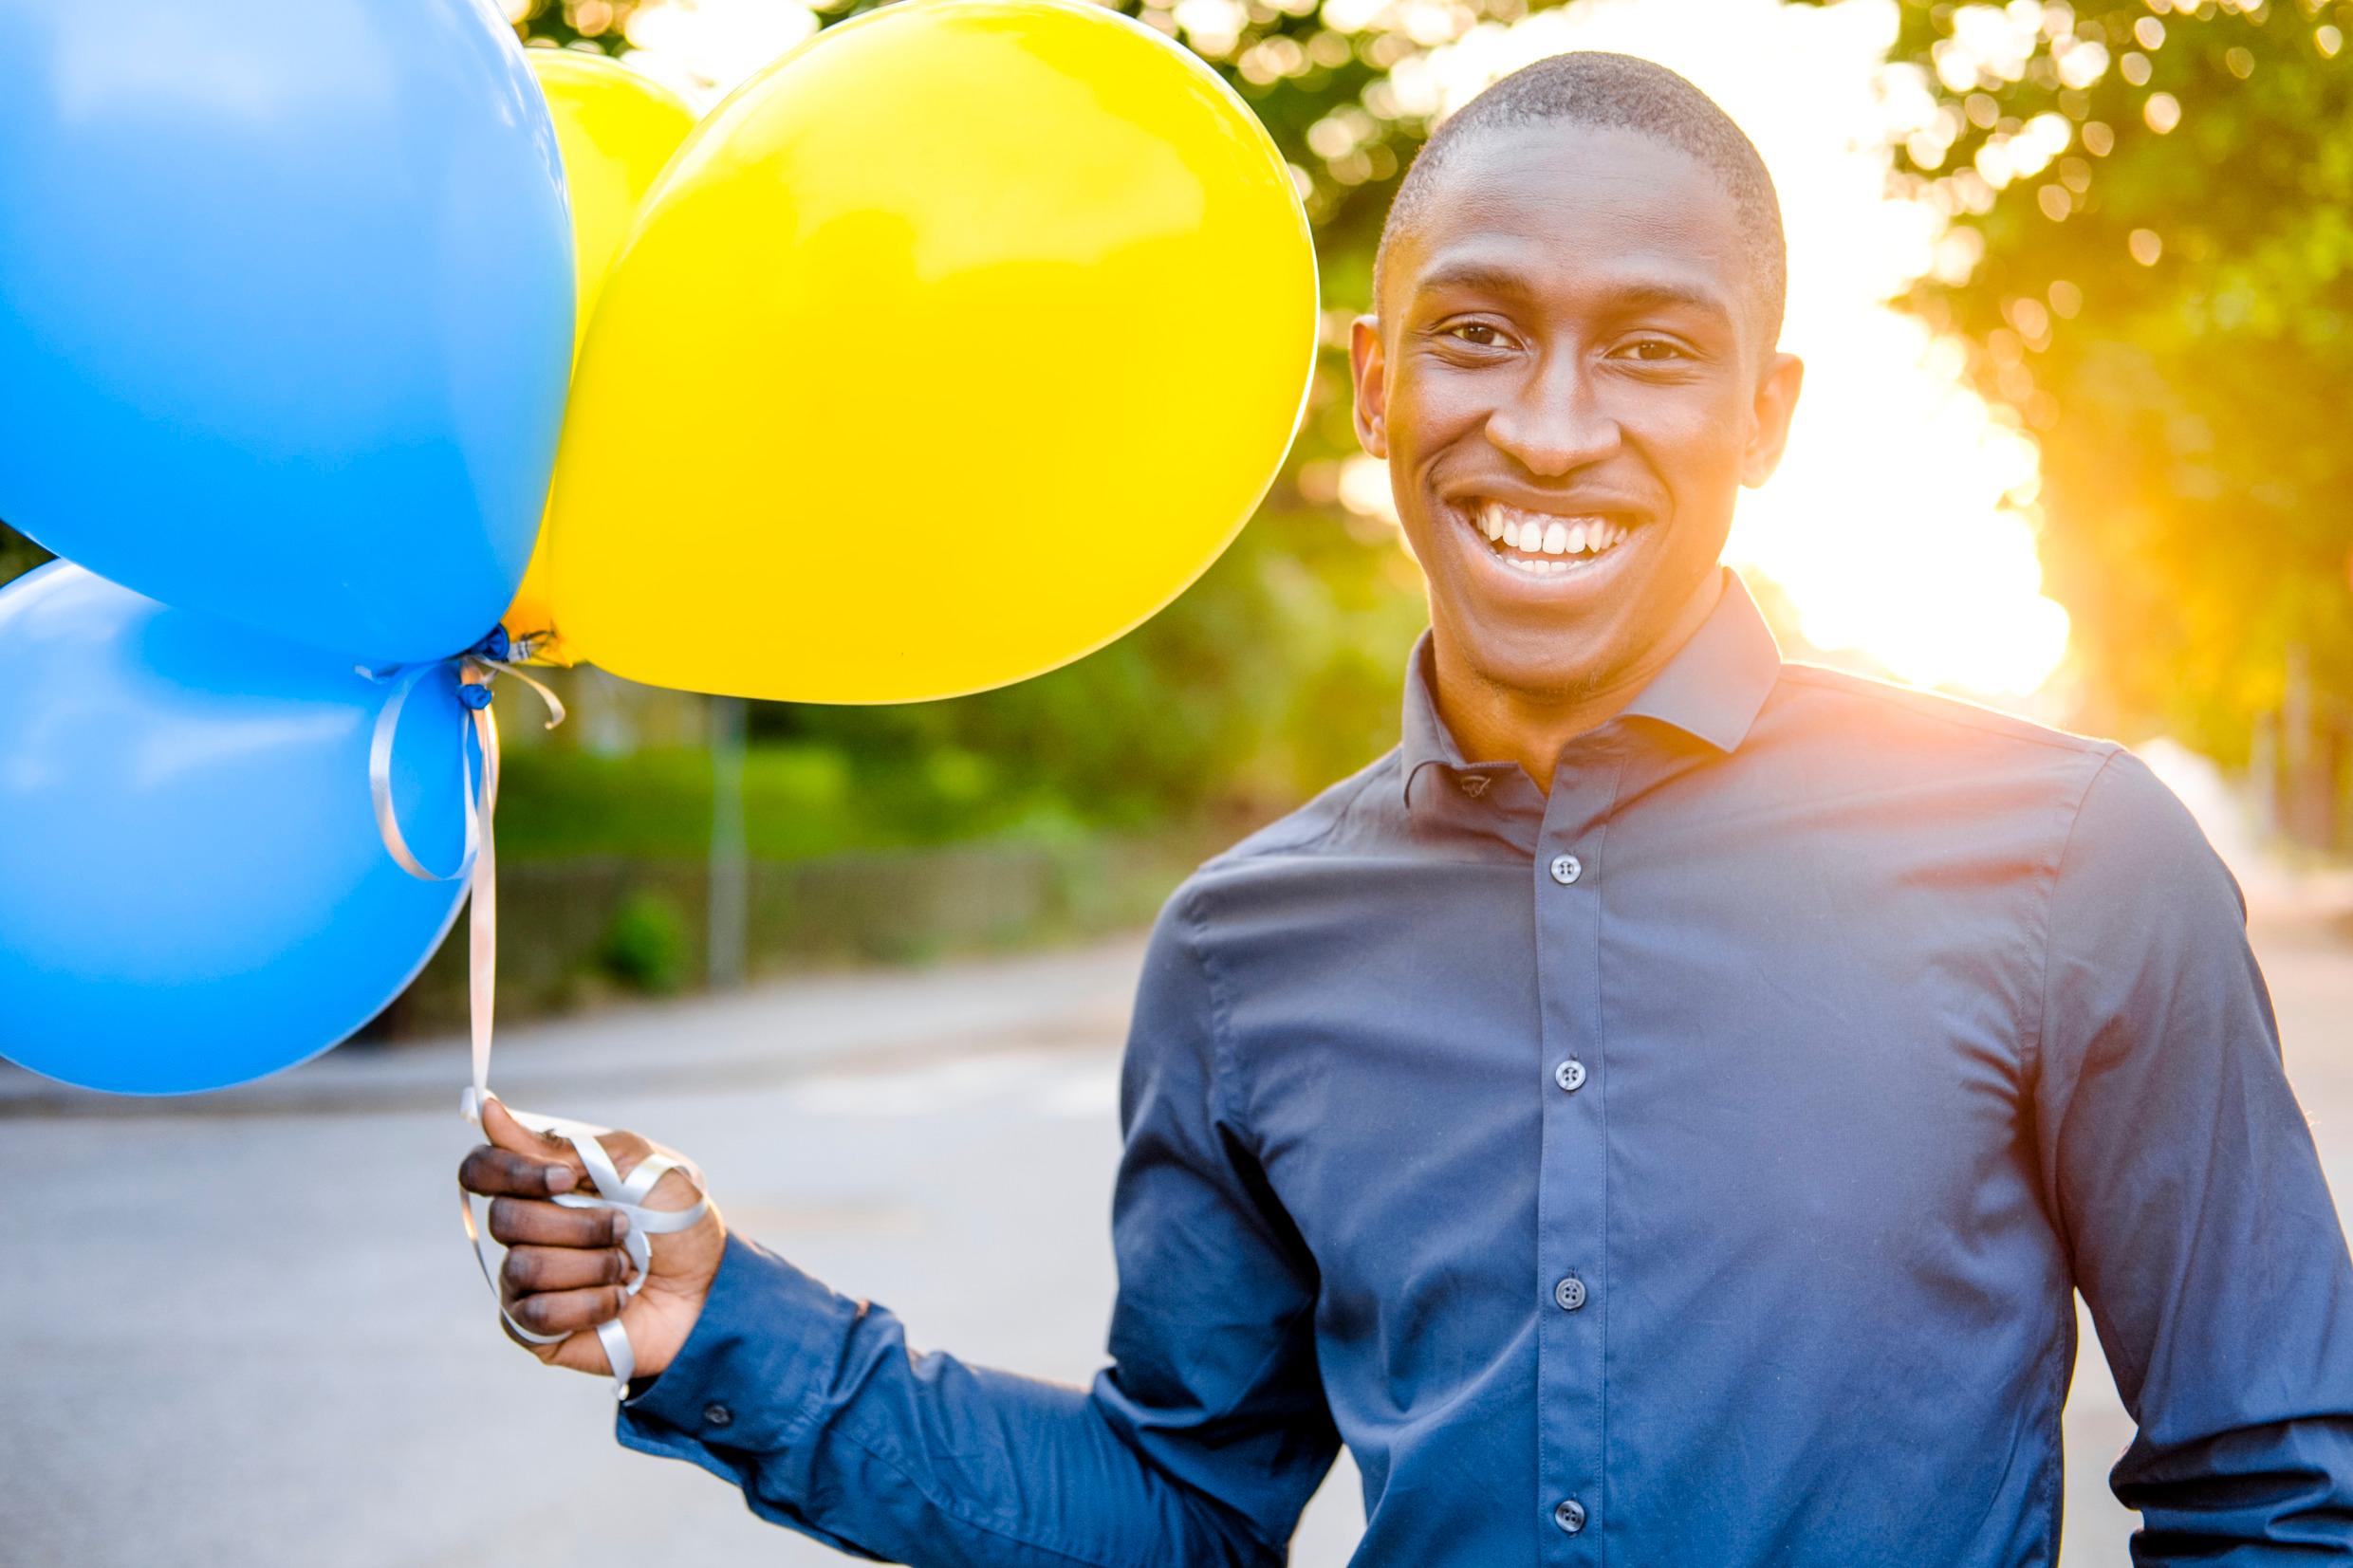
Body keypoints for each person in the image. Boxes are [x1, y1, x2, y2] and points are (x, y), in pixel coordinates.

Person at [458, 52, 2353, 1565]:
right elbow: (1186, 1510)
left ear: (1766, 413)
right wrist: (717, 1327)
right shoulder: (1237, 949)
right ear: (1374, 385)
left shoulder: (2069, 855)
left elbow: (2272, 1482)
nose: (1544, 422)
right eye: (1475, 330)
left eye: (1650, 347)